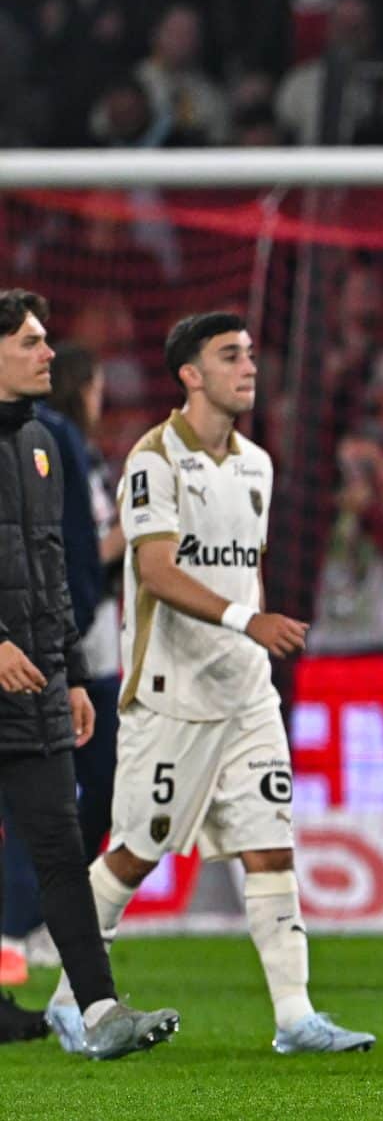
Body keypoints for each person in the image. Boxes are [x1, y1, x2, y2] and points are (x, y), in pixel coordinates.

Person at [39, 313, 370, 1056]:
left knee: (271, 844)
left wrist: (248, 637)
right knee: (135, 849)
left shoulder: (257, 463)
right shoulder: (153, 459)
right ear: (190, 373)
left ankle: (295, 1015)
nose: (248, 367)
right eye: (230, 356)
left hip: (247, 692)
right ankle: (70, 999)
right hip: (172, 692)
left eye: (251, 353)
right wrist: (245, 620)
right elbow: (154, 569)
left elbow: (236, 564)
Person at [0, 290, 179, 1060]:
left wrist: (71, 671)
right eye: (33, 341)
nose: (50, 353)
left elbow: (50, 567)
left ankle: (99, 1010)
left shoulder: (44, 440)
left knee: (61, 843)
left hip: (35, 680)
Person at [1, 343, 116, 985]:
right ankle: (22, 925)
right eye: (27, 341)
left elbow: (47, 550)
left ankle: (36, 932)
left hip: (59, 641)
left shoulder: (51, 440)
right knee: (63, 787)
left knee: (53, 794)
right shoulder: (55, 438)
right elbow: (70, 547)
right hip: (62, 637)